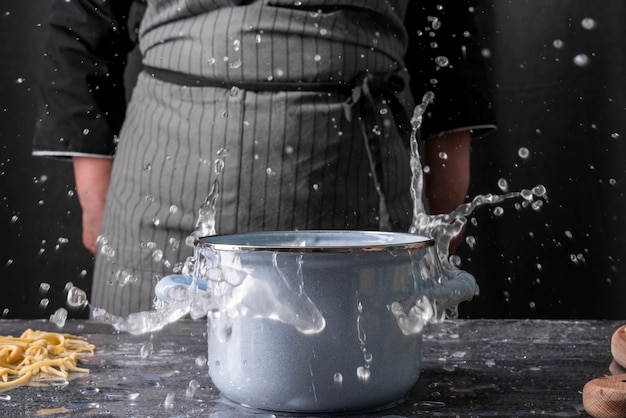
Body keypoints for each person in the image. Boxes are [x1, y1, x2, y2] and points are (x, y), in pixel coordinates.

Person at [33, 0, 495, 316]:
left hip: (356, 179)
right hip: (162, 189)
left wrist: (446, 196)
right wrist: (96, 197)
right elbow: (82, 20)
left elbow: (448, 27)